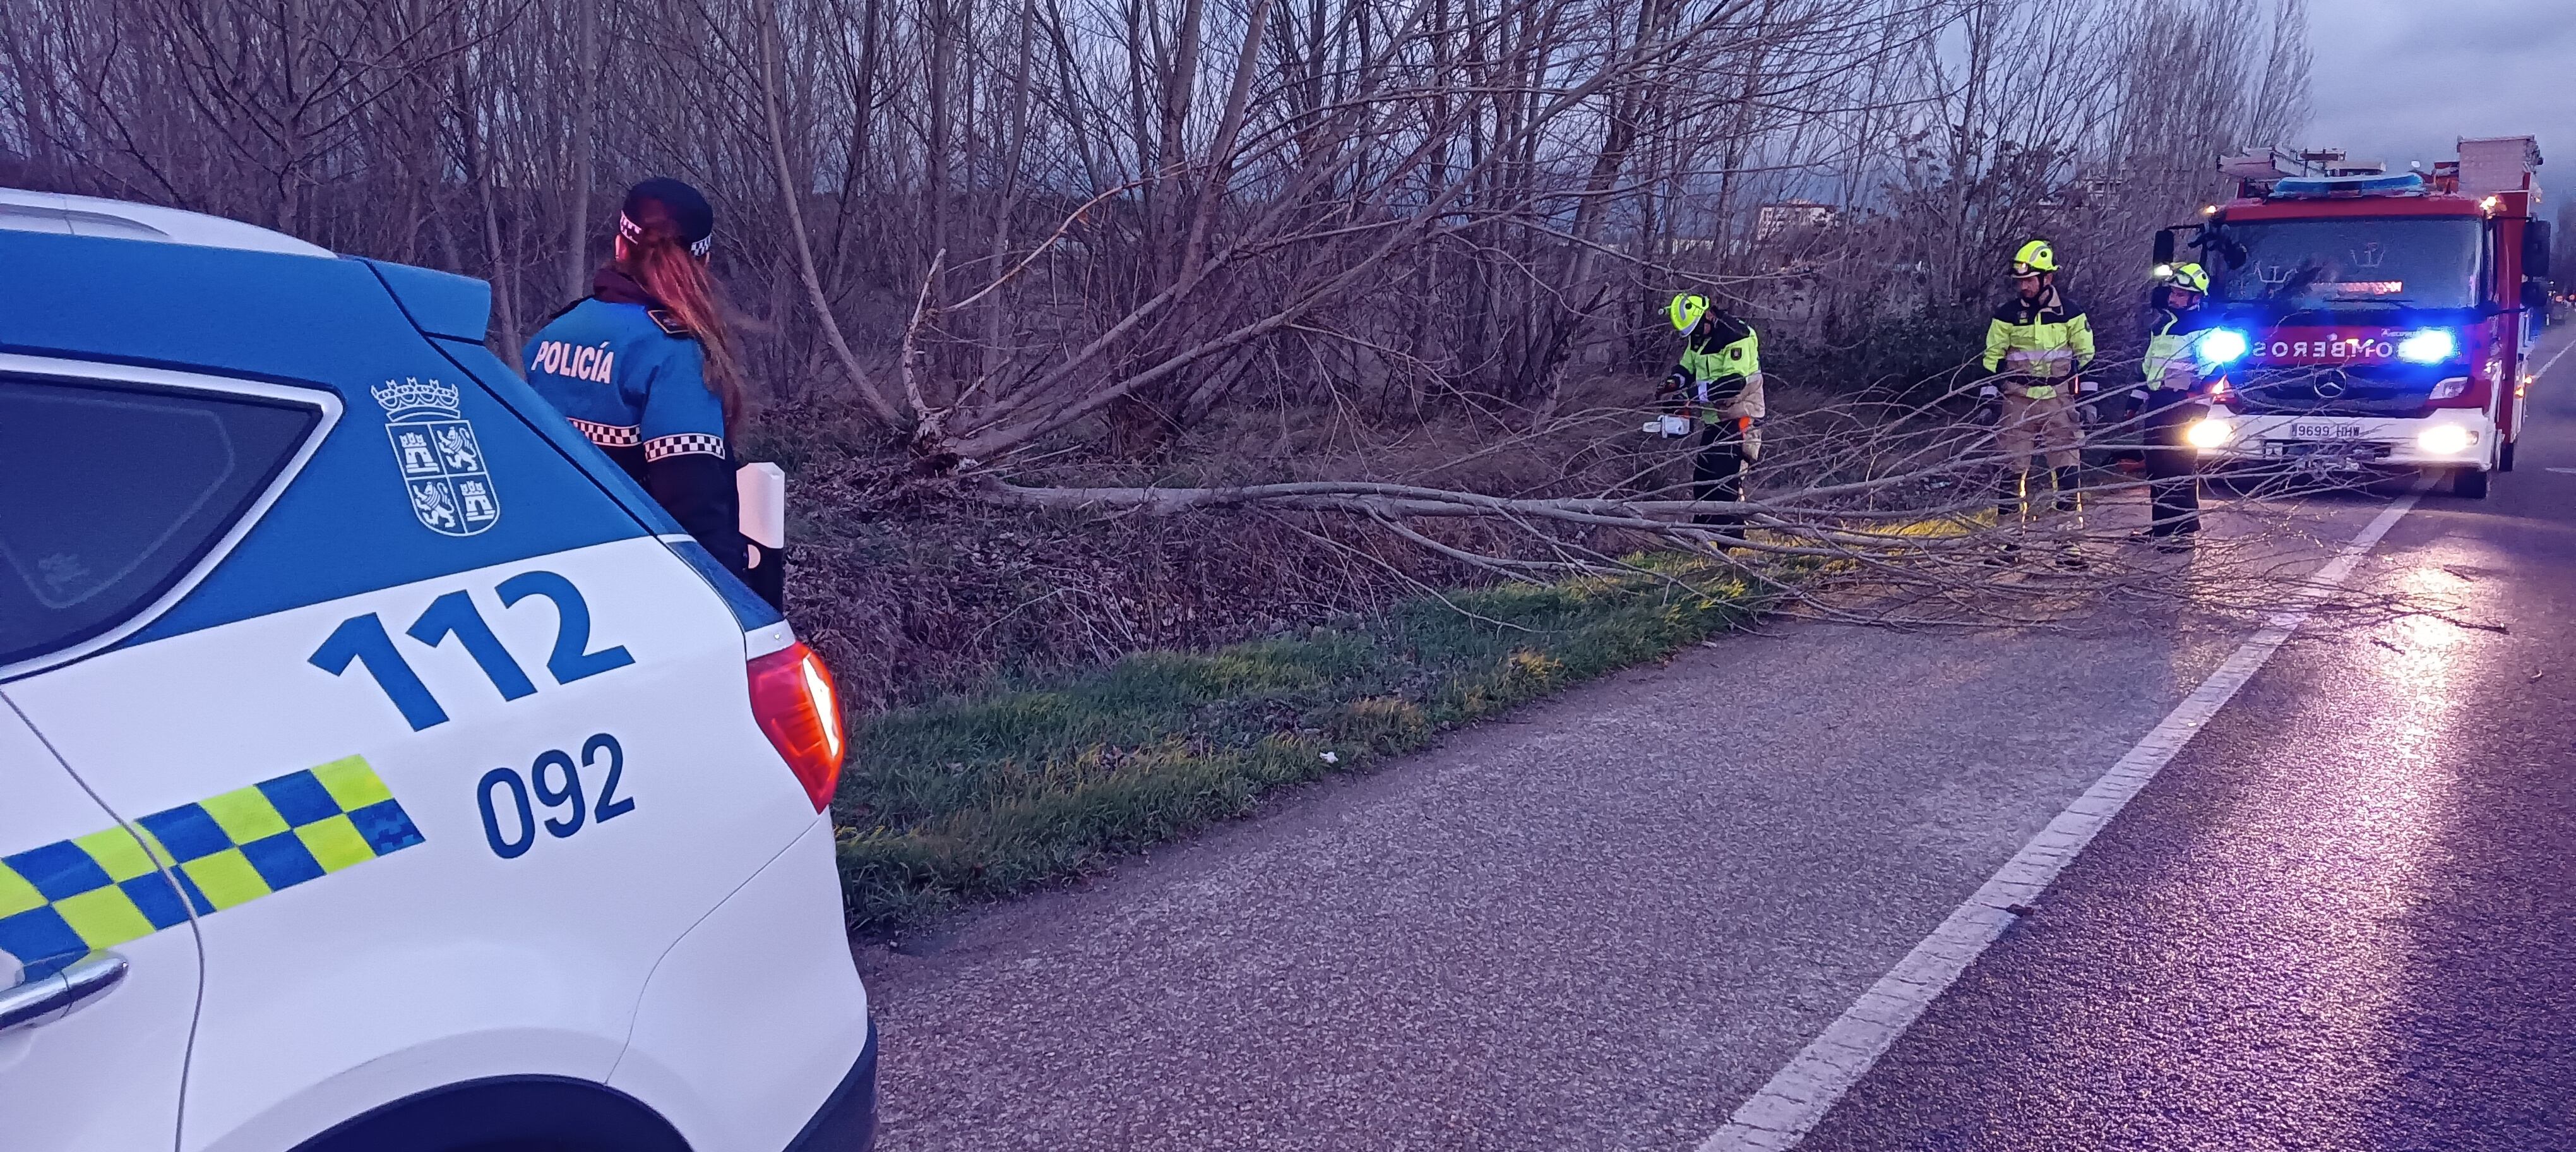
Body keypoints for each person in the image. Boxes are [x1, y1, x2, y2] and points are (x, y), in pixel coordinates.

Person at [523, 177, 756, 589]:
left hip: (550, 569)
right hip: (636, 583)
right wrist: (736, 604)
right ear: (702, 264)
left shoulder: (549, 336)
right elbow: (696, 507)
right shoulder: (673, 355)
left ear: (620, 245)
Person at [1979, 239, 2096, 561]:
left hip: (2059, 398)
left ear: (2048, 278)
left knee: (2067, 471)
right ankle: (2008, 543)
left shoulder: (2071, 313)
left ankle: (2068, 544)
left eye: (2030, 280)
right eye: (2021, 281)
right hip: (2016, 399)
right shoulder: (2006, 314)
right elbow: (1992, 358)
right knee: (2011, 471)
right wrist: (1988, 399)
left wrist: (2089, 401)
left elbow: (2087, 358)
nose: (2025, 286)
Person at [2131, 261, 2219, 550]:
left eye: (2181, 294)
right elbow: (2148, 369)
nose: (2174, 298)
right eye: (2174, 293)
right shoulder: (2162, 326)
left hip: (2184, 406)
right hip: (2159, 402)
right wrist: (2135, 402)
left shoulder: (2204, 328)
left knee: (2178, 466)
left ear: (2196, 298)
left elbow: (2215, 370)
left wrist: (2197, 402)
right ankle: (2161, 529)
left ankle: (2181, 533)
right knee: (2157, 466)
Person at [1660, 293, 1765, 529]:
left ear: (1708, 315)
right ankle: (1704, 535)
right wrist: (1673, 384)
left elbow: (1732, 384)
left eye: (1696, 329)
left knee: (1726, 485)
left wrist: (1690, 397)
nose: (1694, 336)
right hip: (1715, 418)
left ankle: (1729, 543)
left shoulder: (1736, 336)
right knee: (1703, 481)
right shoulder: (1699, 336)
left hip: (1740, 417)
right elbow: (1687, 366)